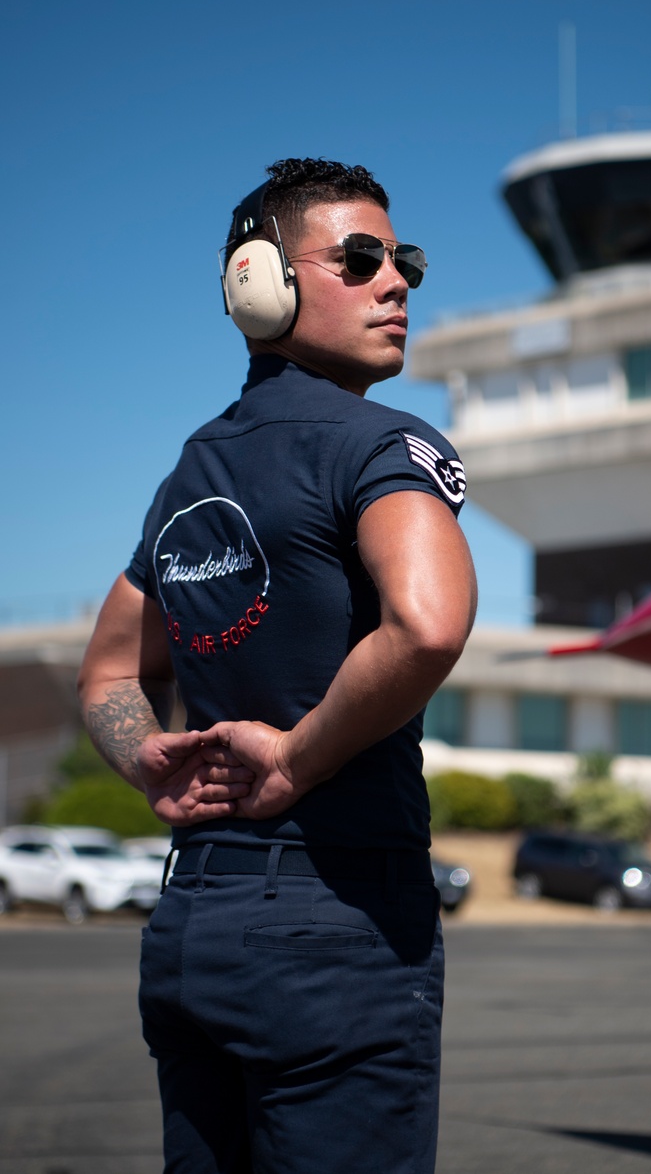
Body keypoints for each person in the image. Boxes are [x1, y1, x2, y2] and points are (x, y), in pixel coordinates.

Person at [77, 158, 478, 1174]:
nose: (396, 284)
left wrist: (149, 762)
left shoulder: (190, 469)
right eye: (360, 258)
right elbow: (428, 625)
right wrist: (298, 759)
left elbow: (106, 675)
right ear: (259, 279)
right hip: (334, 921)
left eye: (406, 263)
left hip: (190, 926)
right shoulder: (382, 445)